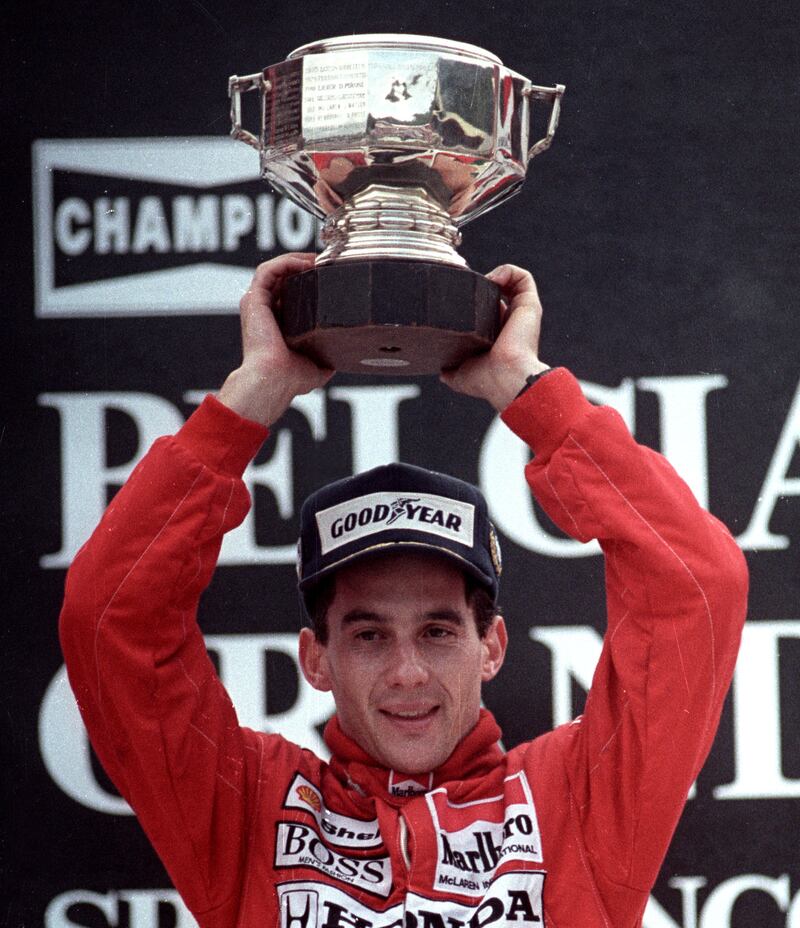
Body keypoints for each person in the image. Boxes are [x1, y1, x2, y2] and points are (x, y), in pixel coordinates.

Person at [60, 253, 748, 928]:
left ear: (492, 645)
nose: (407, 672)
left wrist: (528, 390)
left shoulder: (579, 801)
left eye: (438, 630)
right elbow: (112, 616)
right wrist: (252, 395)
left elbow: (695, 584)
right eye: (368, 634)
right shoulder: (249, 810)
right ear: (316, 658)